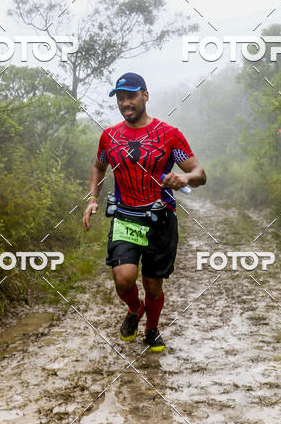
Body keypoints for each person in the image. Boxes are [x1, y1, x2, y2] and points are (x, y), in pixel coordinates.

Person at [82, 72, 206, 352]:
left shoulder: (169, 135)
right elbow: (99, 167)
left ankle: (152, 329)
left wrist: (185, 179)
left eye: (132, 96)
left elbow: (199, 172)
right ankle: (134, 309)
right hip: (125, 216)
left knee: (153, 286)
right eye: (121, 98)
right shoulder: (109, 136)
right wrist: (93, 198)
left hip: (159, 219)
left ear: (145, 96)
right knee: (124, 280)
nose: (126, 103)